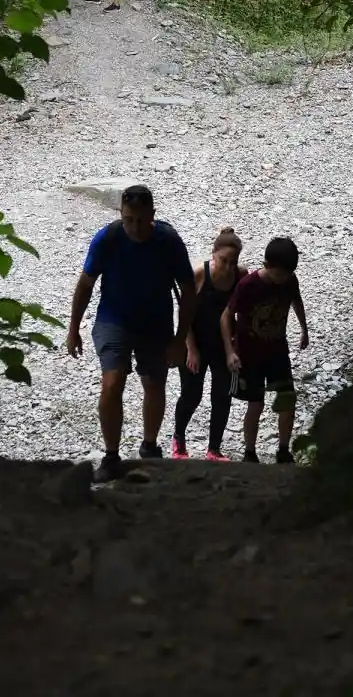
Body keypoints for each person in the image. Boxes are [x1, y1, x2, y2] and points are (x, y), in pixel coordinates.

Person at [66, 184, 197, 482]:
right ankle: (112, 456)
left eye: (140, 220)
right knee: (112, 382)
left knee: (154, 384)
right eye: (128, 220)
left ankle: (149, 448)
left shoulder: (168, 241)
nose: (134, 227)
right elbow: (85, 284)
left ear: (152, 214)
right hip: (115, 319)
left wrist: (180, 339)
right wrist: (73, 329)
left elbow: (189, 290)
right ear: (121, 215)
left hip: (156, 323)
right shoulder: (108, 238)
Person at [221, 236, 309, 464]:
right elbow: (226, 316)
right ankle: (249, 452)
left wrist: (304, 329)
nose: (283, 279)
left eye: (288, 274)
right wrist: (230, 352)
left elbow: (296, 302)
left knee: (287, 398)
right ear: (267, 265)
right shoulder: (249, 285)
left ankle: (283, 449)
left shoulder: (290, 281)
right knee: (256, 403)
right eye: (280, 274)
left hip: (278, 350)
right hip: (250, 355)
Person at [172, 228, 246, 462]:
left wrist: (236, 348)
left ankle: (214, 448)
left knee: (222, 396)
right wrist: (191, 349)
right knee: (192, 394)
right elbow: (184, 313)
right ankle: (179, 440)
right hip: (196, 342)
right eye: (224, 260)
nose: (228, 267)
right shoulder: (200, 275)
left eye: (232, 262)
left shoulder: (241, 276)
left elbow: (245, 311)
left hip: (223, 346)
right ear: (213, 254)